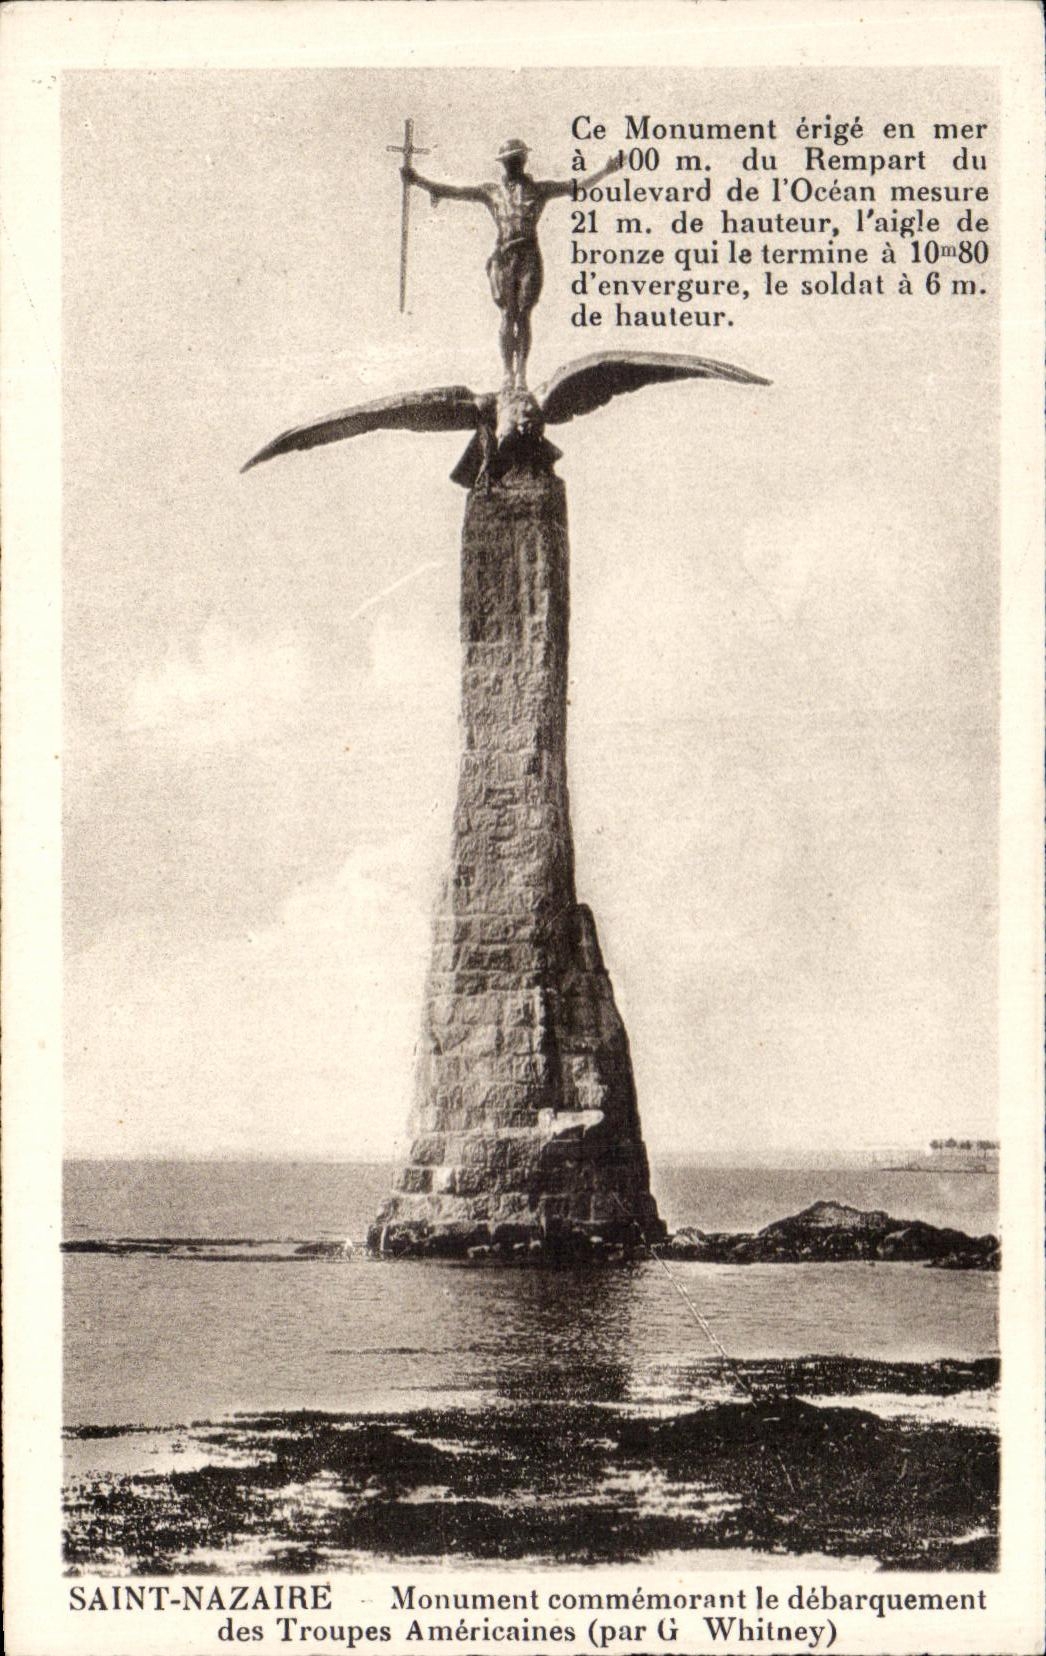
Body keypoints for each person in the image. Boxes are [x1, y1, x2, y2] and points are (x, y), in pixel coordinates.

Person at [402, 138, 623, 390]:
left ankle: (521, 374)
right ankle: (507, 372)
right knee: (508, 314)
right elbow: (454, 191)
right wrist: (418, 181)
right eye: (510, 160)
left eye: (517, 159)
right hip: (504, 257)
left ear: (524, 160)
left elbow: (574, 186)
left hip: (528, 254)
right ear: (503, 163)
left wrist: (605, 170)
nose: (514, 164)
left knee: (524, 314)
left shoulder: (539, 190)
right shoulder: (491, 192)